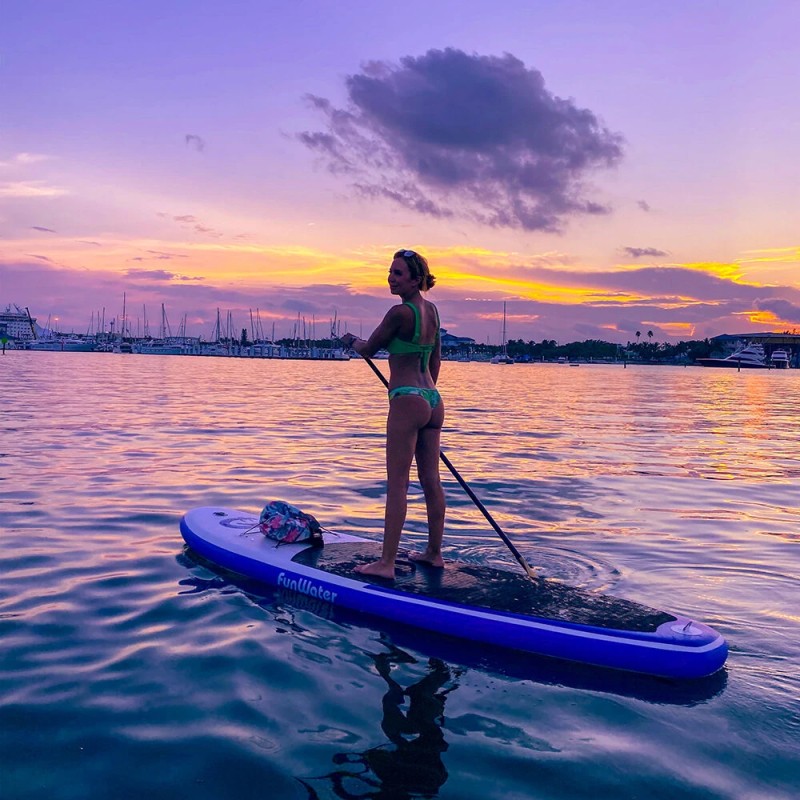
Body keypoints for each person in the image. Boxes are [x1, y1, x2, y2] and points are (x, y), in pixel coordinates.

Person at [339, 249, 445, 580]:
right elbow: (435, 362)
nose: (391, 278)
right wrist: (425, 401)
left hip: (407, 399)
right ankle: (434, 553)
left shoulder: (400, 313)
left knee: (397, 483)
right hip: (432, 398)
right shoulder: (433, 312)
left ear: (416, 279)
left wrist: (350, 340)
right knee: (431, 479)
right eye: (390, 272)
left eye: (398, 274)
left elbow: (369, 348)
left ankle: (385, 563)